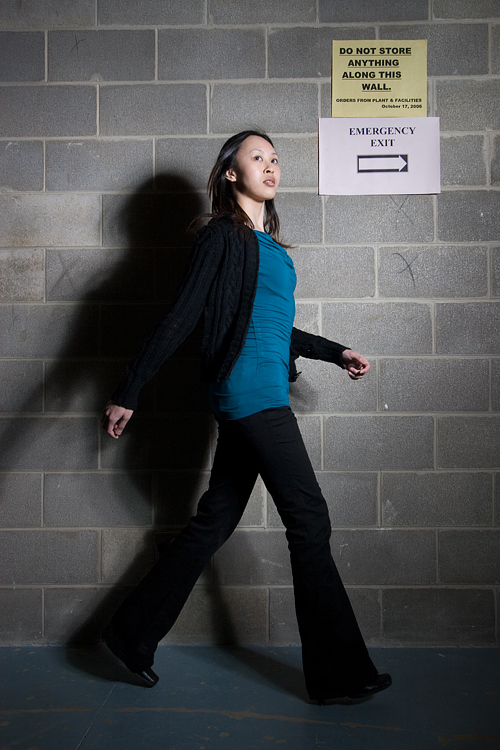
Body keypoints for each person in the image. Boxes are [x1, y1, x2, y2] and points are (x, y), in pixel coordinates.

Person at [101, 130, 391, 705]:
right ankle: (338, 675)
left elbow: (275, 326)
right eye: (257, 157)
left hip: (263, 392)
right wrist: (129, 388)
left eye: (275, 158)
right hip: (248, 392)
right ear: (231, 173)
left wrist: (335, 351)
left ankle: (129, 635)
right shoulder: (221, 236)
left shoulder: (272, 248)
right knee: (309, 519)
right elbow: (183, 314)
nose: (270, 165)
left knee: (213, 521)